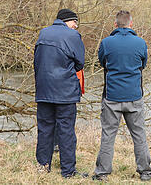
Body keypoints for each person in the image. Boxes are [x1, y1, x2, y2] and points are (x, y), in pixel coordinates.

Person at [92, 10, 151, 181]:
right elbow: (143, 64)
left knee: (108, 135)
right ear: (131, 24)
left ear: (115, 24)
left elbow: (103, 63)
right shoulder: (140, 43)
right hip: (134, 95)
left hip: (112, 96)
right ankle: (146, 171)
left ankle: (102, 172)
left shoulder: (106, 43)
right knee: (139, 135)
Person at [34, 9, 85, 178]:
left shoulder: (43, 33)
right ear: (67, 21)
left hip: (43, 90)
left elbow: (37, 61)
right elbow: (80, 63)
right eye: (74, 22)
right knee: (66, 130)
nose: (76, 26)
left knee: (45, 128)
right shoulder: (72, 36)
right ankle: (68, 171)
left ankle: (43, 166)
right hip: (66, 91)